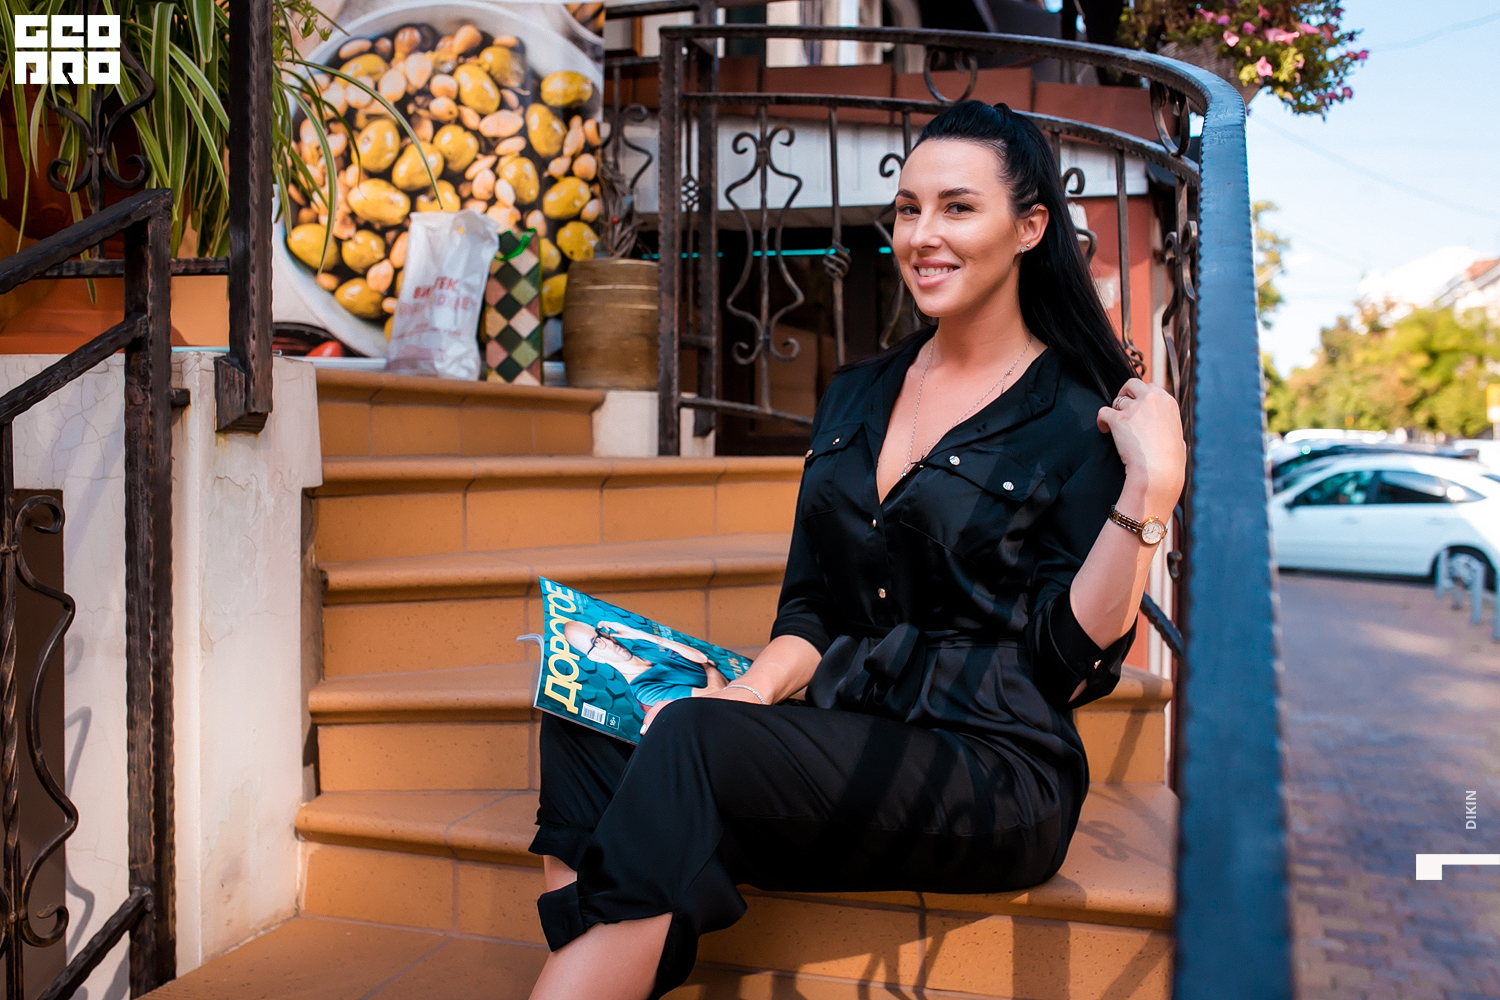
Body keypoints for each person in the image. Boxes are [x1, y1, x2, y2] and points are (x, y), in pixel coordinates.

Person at [525, 100, 1188, 1000]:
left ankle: (589, 970)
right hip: (851, 727)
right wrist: (752, 692)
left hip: (992, 768)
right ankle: (618, 956)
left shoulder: (1079, 414)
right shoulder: (856, 394)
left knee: (690, 744)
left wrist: (1149, 492)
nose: (923, 234)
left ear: (1030, 228)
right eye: (909, 209)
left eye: (958, 207)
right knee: (587, 704)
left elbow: (1068, 665)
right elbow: (814, 605)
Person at [560, 619, 729, 705]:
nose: (609, 642)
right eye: (596, 642)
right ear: (596, 658)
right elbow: (719, 693)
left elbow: (701, 657)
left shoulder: (642, 645)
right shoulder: (646, 691)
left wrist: (641, 635)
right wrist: (710, 668)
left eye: (600, 633)